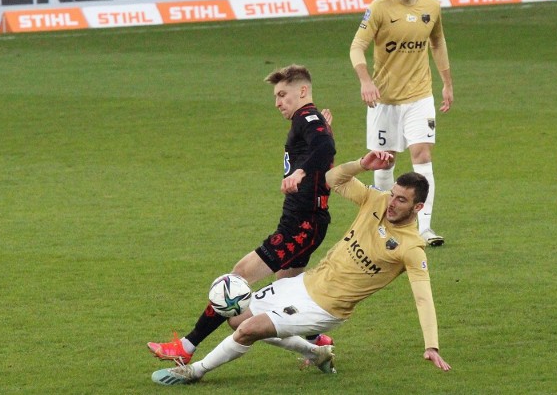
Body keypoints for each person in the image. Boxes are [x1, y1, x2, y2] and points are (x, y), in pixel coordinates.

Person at [151, 149, 451, 385]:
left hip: (326, 308)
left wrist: (432, 345)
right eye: (393, 194)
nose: (392, 204)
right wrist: (362, 163)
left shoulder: (411, 248)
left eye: (401, 200)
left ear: (418, 207)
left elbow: (423, 297)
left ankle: (195, 372)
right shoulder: (377, 199)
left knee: (248, 329)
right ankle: (316, 352)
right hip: (304, 284)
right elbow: (333, 179)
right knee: (235, 319)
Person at [147, 64, 336, 364]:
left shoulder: (306, 117)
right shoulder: (308, 120)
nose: (277, 102)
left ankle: (186, 346)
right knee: (287, 293)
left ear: (302, 91)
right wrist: (323, 133)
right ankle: (317, 342)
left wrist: (301, 169)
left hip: (300, 225)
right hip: (304, 222)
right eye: (276, 96)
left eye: (283, 94)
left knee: (236, 280)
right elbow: (323, 148)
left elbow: (325, 147)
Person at [349, 0, 454, 246]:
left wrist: (447, 83)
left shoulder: (431, 7)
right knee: (384, 163)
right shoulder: (379, 9)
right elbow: (356, 47)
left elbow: (438, 42)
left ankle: (423, 228)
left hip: (420, 97)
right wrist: (365, 81)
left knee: (422, 155)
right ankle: (387, 223)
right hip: (385, 101)